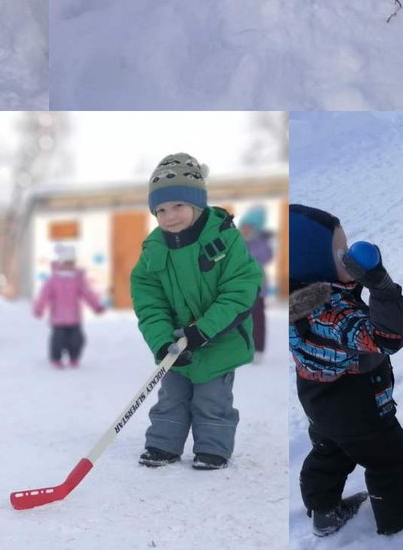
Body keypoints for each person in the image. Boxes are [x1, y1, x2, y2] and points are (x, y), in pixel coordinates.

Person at [289, 204, 403, 537]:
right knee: (390, 458)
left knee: (330, 450)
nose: (349, 256)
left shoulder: (296, 302)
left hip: (318, 397)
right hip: (357, 402)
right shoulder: (332, 315)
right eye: (341, 252)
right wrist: (381, 287)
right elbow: (387, 338)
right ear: (315, 265)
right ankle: (399, 523)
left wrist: (353, 284)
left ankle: (323, 511)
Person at [131, 153, 262, 471]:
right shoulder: (153, 251)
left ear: (197, 204)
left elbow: (240, 291)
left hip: (219, 339)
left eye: (178, 206)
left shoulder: (225, 240)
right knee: (171, 396)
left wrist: (202, 330)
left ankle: (212, 448)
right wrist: (162, 341)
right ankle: (163, 445)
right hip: (177, 343)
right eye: (161, 210)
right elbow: (150, 303)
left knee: (211, 398)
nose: (170, 216)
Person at [33, 243, 105, 367]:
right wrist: (39, 308)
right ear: (60, 263)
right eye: (66, 263)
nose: (69, 266)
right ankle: (56, 359)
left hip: (74, 318)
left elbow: (87, 294)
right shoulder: (53, 281)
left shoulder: (78, 280)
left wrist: (96, 306)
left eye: (71, 263)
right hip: (58, 318)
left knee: (77, 340)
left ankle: (74, 357)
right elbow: (44, 296)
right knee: (57, 341)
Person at [239, 205, 275, 355]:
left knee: (257, 318)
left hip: (257, 288)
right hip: (240, 288)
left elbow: (265, 257)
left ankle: (258, 348)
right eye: (244, 226)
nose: (246, 229)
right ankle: (242, 347)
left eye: (249, 227)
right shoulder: (237, 240)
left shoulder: (260, 242)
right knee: (240, 319)